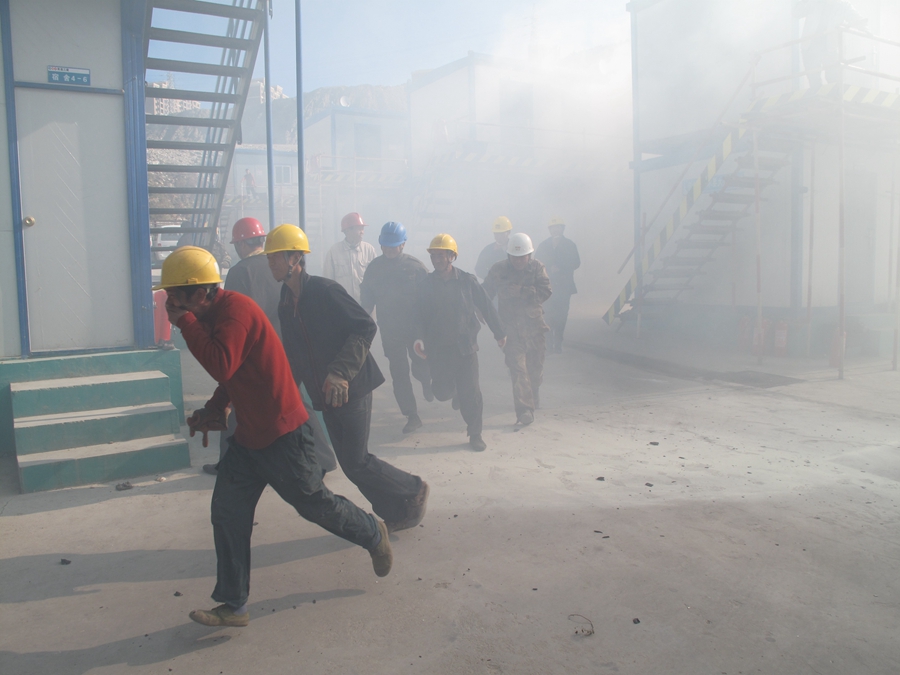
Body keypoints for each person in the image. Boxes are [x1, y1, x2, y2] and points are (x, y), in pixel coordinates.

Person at [156, 246, 392, 629]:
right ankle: (233, 605)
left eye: (175, 297)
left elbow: (221, 361)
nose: (170, 304)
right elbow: (233, 373)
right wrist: (215, 408)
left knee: (314, 503)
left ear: (199, 294)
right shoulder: (213, 315)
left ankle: (371, 531)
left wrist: (184, 323)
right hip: (249, 438)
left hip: (283, 434)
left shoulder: (236, 312)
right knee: (227, 513)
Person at [266, 224, 430, 533]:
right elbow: (294, 355)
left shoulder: (325, 291)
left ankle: (412, 489)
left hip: (351, 387)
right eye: (269, 258)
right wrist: (283, 393)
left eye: (276, 257)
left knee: (357, 461)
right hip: (324, 394)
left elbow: (365, 326)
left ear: (295, 258)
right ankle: (396, 511)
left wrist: (340, 371)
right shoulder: (286, 303)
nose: (271, 263)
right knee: (352, 465)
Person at [202, 217, 337, 476]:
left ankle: (228, 464)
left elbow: (233, 318)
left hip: (253, 351)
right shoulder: (275, 266)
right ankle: (324, 457)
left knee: (237, 398)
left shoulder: (240, 272)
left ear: (241, 244)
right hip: (284, 347)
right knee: (296, 402)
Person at [414, 234, 505, 452]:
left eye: (440, 255)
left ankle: (475, 434)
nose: (436, 259)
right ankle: (453, 391)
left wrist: (499, 332)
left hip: (465, 347)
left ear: (451, 257)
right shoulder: (426, 284)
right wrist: (418, 338)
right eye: (433, 255)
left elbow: (486, 305)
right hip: (438, 349)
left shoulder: (467, 280)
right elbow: (418, 314)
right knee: (442, 392)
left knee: (471, 393)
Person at [360, 222, 433, 434]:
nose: (390, 250)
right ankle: (412, 415)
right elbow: (367, 300)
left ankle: (426, 381)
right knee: (399, 372)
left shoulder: (416, 268)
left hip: (415, 330)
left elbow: (429, 300)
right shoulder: (374, 269)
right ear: (381, 245)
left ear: (403, 245)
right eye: (386, 246)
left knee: (420, 366)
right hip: (390, 331)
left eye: (394, 246)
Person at [483, 233, 552, 426]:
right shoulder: (498, 270)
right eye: (515, 257)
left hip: (535, 328)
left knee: (534, 370)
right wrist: (480, 309)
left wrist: (523, 292)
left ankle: (533, 392)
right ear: (508, 256)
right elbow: (485, 291)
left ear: (529, 255)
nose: (519, 261)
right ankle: (524, 410)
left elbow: (546, 291)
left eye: (523, 257)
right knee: (517, 369)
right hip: (510, 329)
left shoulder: (538, 268)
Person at [794, 0, 867, 86]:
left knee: (833, 78)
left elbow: (855, 17)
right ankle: (816, 95)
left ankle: (833, 97)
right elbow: (796, 13)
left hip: (831, 48)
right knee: (813, 78)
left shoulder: (842, 5)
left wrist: (864, 28)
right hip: (810, 46)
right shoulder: (813, 2)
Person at [535, 217, 581, 353]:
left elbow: (576, 263)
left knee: (561, 315)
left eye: (558, 227)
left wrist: (561, 267)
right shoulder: (543, 245)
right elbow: (536, 262)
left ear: (562, 228)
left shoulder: (570, 245)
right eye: (553, 227)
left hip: (564, 287)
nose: (555, 229)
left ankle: (558, 342)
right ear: (549, 230)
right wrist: (548, 268)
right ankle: (549, 345)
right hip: (547, 287)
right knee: (547, 315)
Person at [322, 212, 377, 303]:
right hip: (343, 305)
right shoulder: (334, 252)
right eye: (359, 229)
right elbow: (327, 282)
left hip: (365, 306)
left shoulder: (369, 250)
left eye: (362, 228)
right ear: (347, 231)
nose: (362, 232)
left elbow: (376, 279)